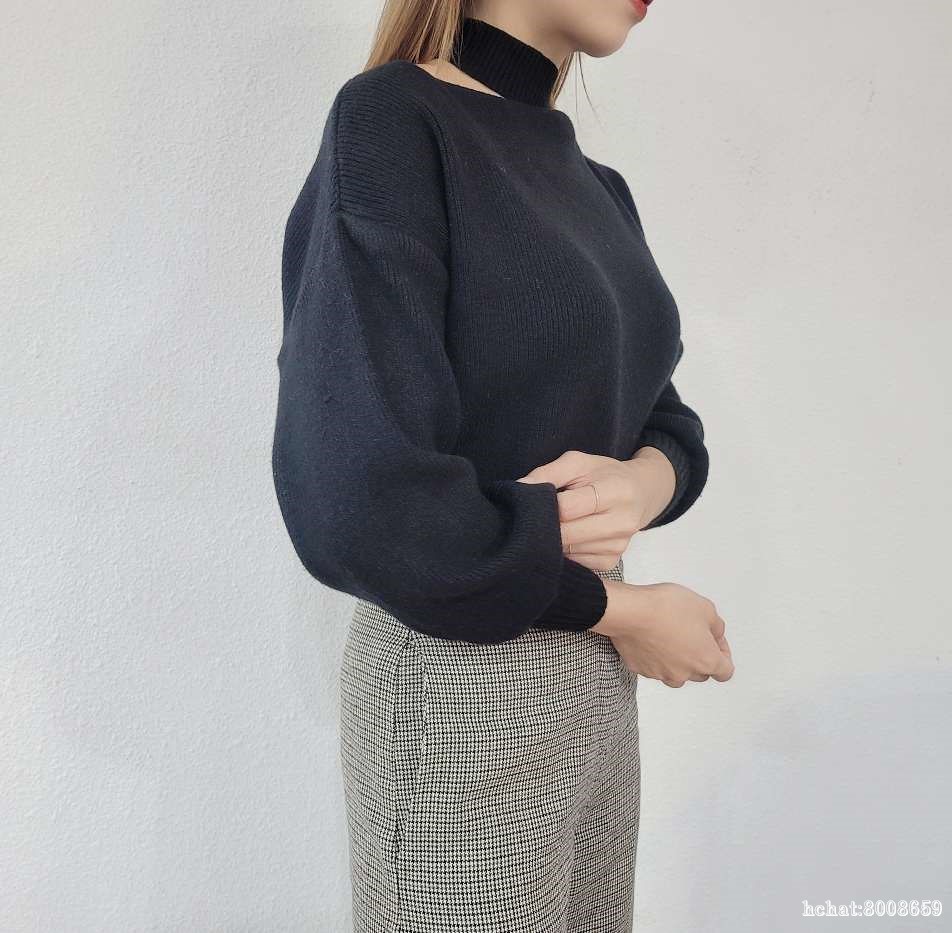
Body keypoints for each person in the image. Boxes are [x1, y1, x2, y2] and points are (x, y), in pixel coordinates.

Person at [271, 3, 734, 930]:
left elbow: (664, 417)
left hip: (595, 685)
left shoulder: (597, 186)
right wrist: (627, 610)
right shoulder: (394, 119)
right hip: (460, 686)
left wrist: (638, 484)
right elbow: (362, 499)